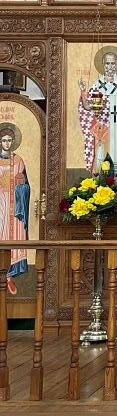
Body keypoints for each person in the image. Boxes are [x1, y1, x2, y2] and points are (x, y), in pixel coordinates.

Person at [78, 49, 117, 179]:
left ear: (116, 65)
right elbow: (87, 107)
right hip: (103, 128)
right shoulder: (97, 85)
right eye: (107, 63)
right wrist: (83, 91)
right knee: (101, 154)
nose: (110, 66)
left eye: (112, 63)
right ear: (103, 65)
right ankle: (100, 181)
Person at [0, 126, 30, 296]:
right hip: (0, 202)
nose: (7, 143)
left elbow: (26, 186)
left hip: (14, 205)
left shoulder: (18, 160)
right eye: (4, 140)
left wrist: (21, 184)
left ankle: (9, 275)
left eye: (9, 140)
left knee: (12, 235)